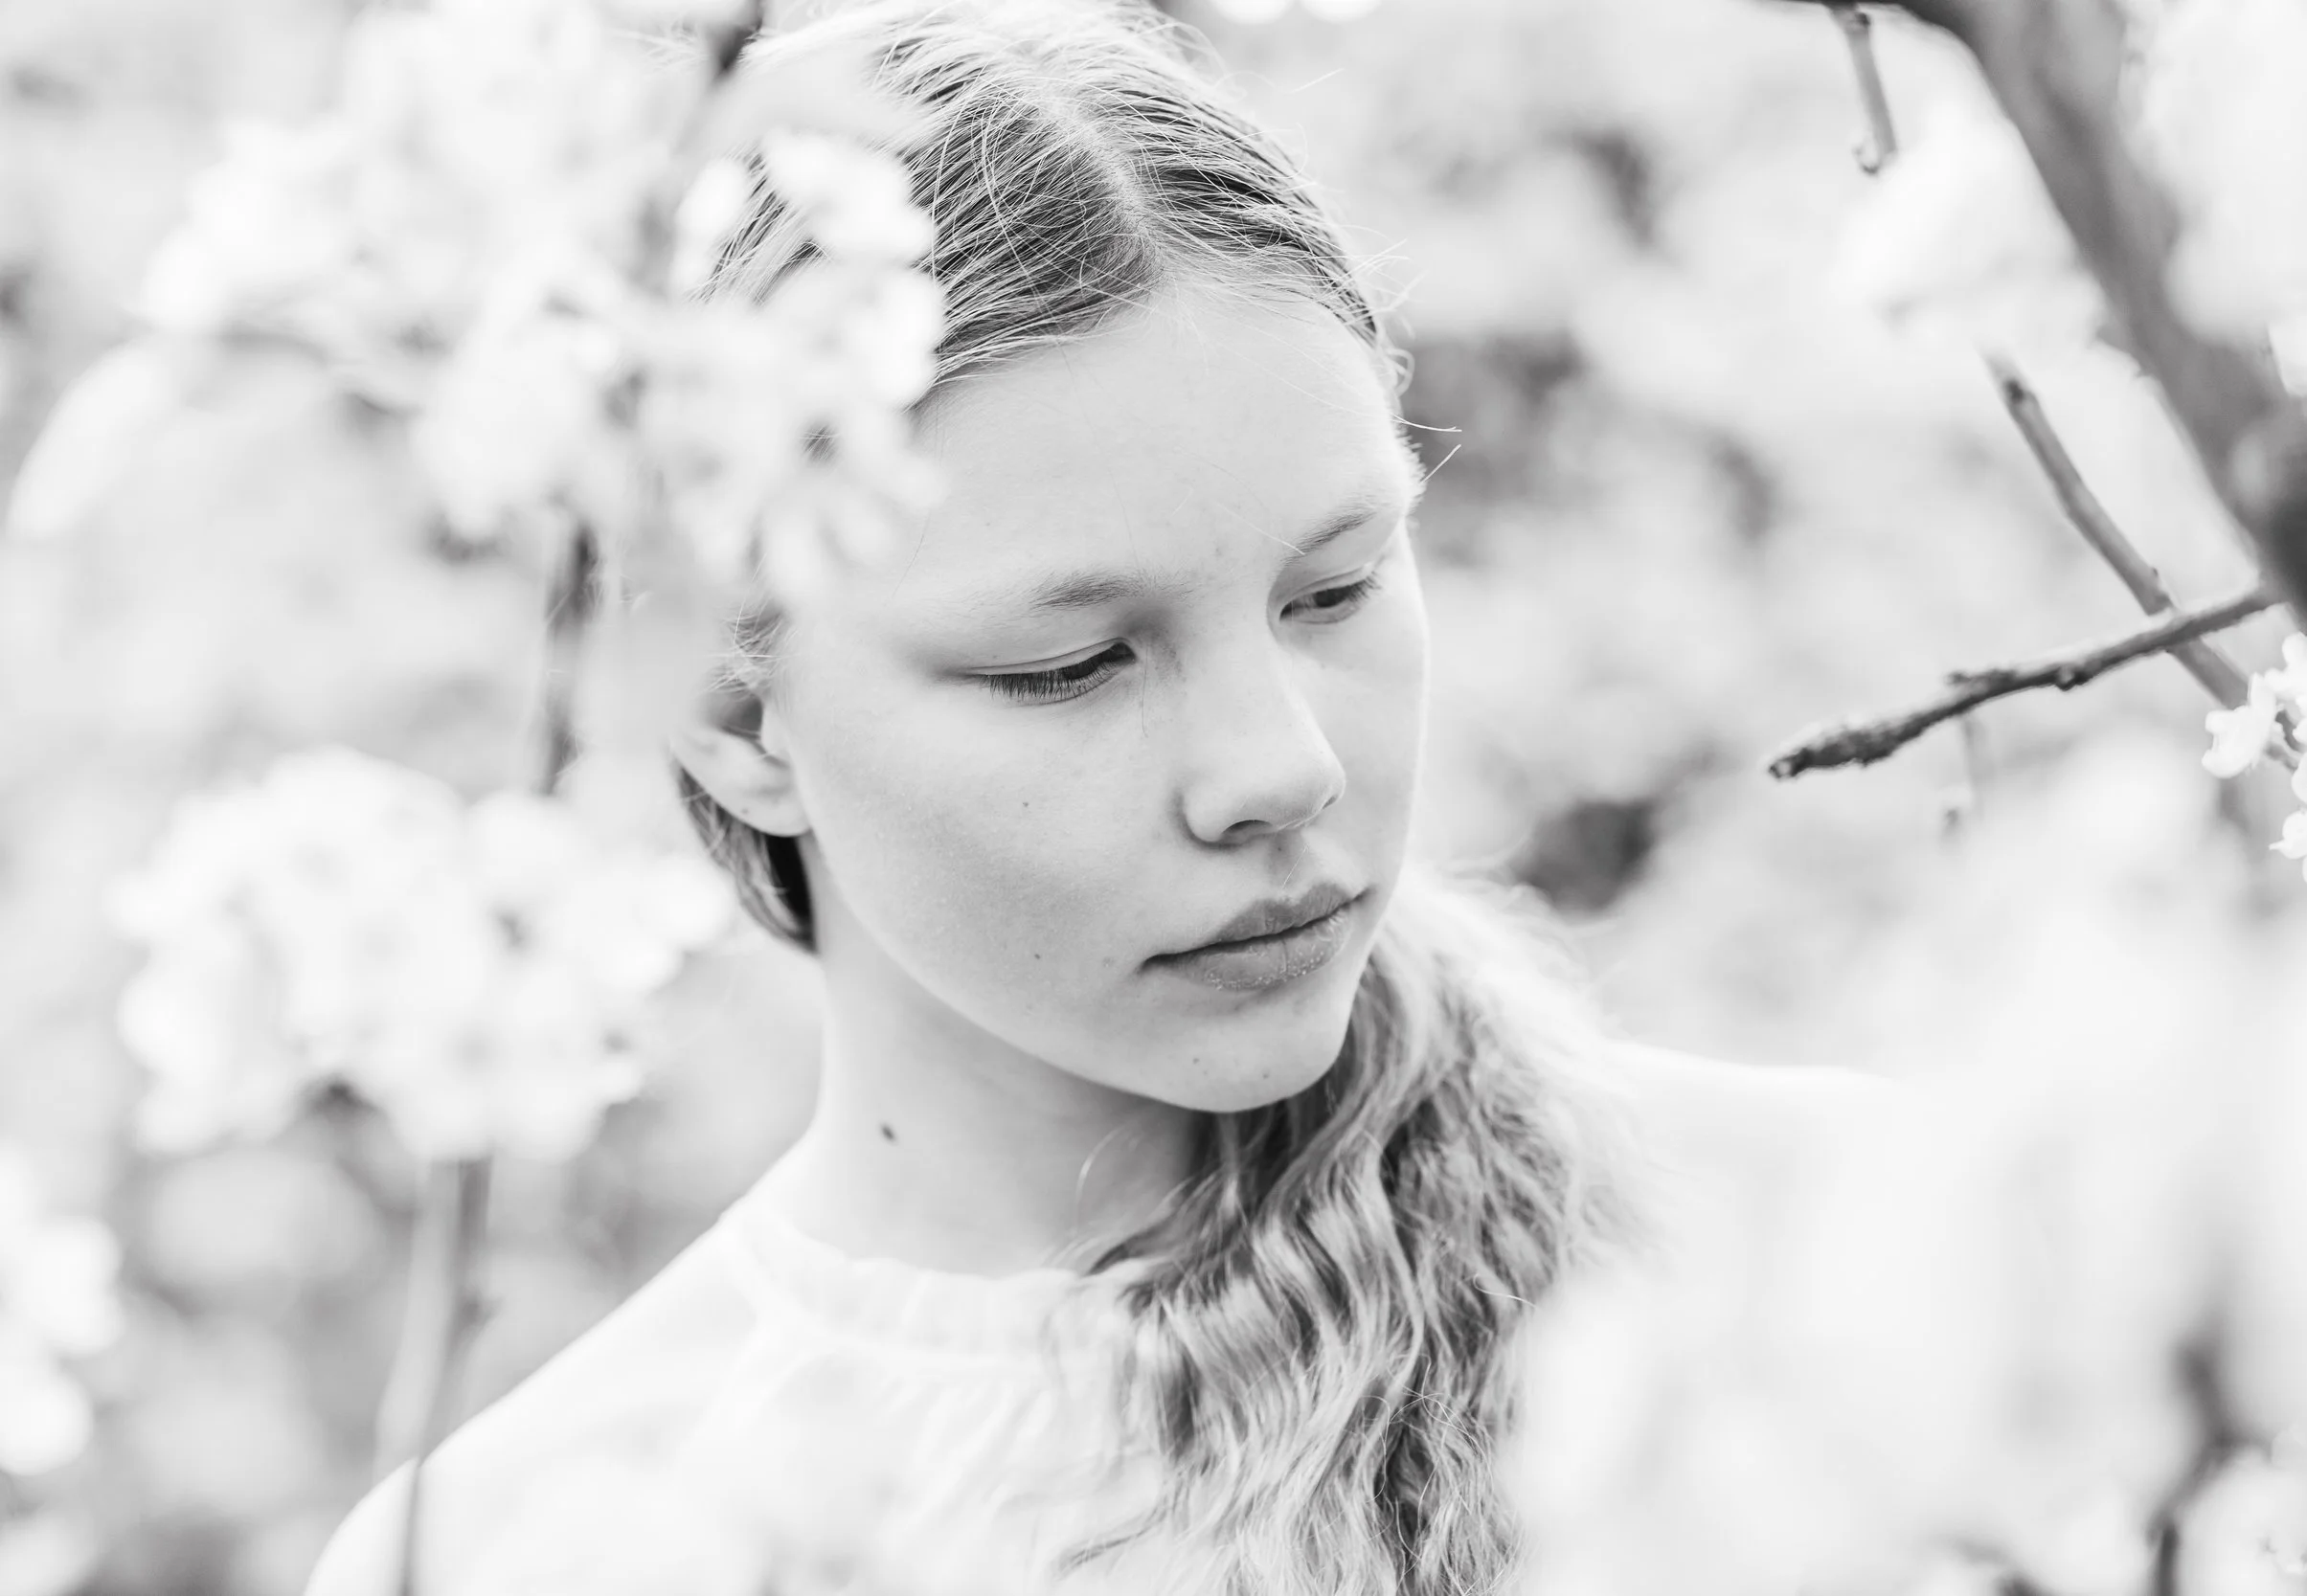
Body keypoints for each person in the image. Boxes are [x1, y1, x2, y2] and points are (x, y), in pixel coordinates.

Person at [304, 2, 1891, 1591]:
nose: (1284, 767)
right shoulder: (524, 1545)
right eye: (1073, 665)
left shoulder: (1846, 1264)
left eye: (1334, 588)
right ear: (735, 712)